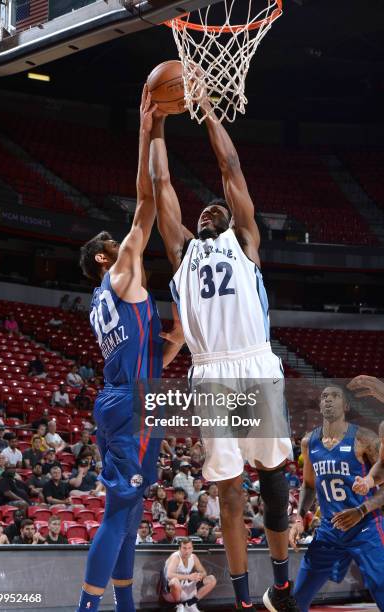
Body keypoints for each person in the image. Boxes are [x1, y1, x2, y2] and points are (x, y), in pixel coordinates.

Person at [150, 104, 295, 611]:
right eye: (203, 211)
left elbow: (231, 168)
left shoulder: (245, 240)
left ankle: (281, 587)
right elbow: (161, 184)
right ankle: (241, 601)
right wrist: (156, 123)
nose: (208, 211)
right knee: (229, 493)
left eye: (217, 209)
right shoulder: (181, 252)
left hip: (255, 362)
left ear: (233, 220)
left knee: (275, 484)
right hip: (210, 372)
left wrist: (210, 111)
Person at [74, 87, 184, 612]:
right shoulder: (119, 272)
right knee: (119, 513)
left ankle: (123, 606)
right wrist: (147, 129)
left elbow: (147, 362)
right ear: (101, 257)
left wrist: (176, 344)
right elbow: (144, 202)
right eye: (109, 241)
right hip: (133, 406)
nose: (121, 240)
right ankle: (87, 608)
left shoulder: (105, 300)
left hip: (131, 397)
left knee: (132, 509)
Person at [289, 386, 384, 611]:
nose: (328, 400)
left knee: (381, 586)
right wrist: (299, 518)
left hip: (366, 527)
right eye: (324, 397)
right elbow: (309, 486)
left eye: (335, 396)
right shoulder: (308, 442)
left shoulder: (364, 438)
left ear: (346, 406)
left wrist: (362, 509)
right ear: (320, 405)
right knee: (297, 599)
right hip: (329, 532)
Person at [162, 538, 217, 612]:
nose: (187, 551)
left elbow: (204, 572)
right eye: (184, 548)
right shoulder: (175, 557)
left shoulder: (193, 557)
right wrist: (189, 577)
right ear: (180, 548)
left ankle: (191, 603)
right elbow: (169, 575)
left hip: (185, 587)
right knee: (175, 581)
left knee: (211, 579)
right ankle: (179, 605)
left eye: (189, 548)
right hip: (169, 591)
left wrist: (198, 576)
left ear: (192, 549)